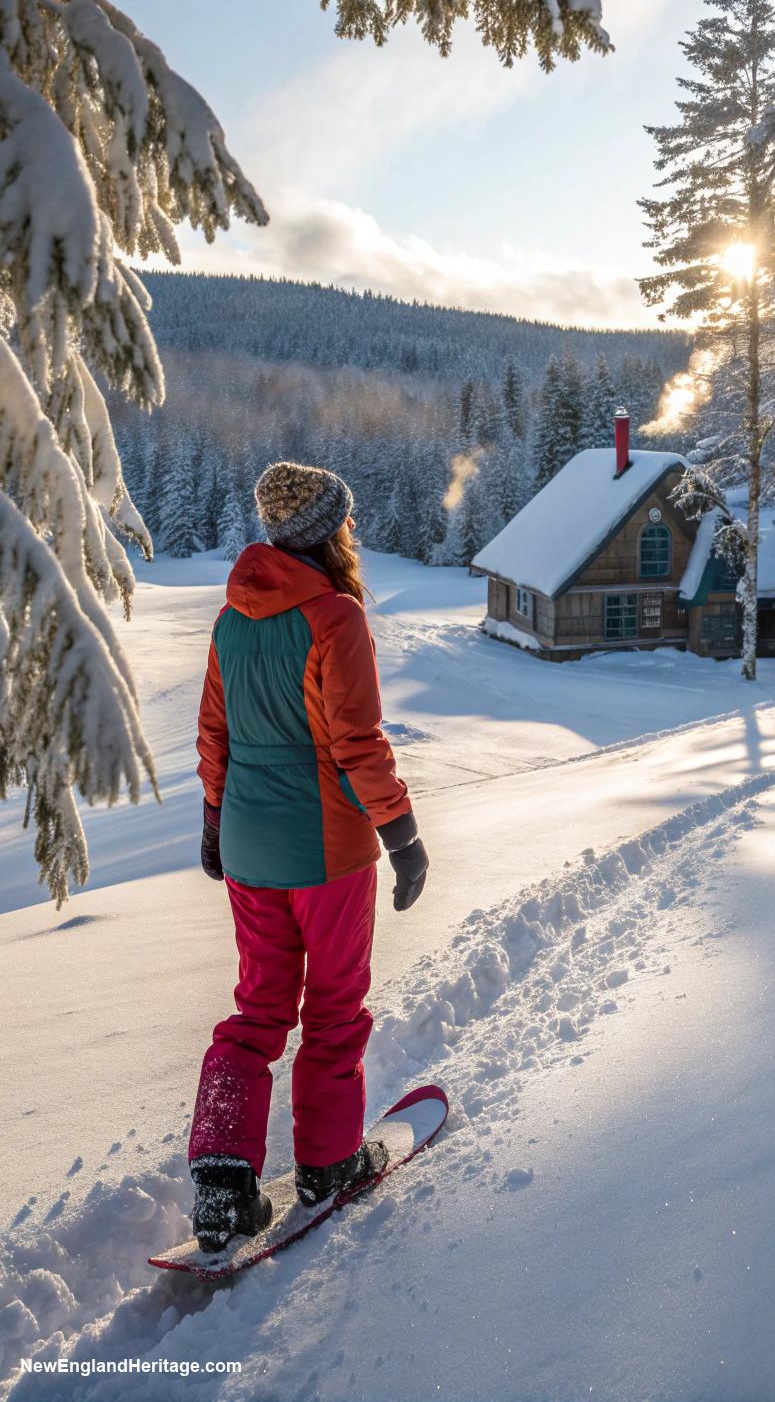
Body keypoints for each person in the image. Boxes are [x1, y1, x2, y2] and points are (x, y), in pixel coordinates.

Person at [187, 461, 428, 1253]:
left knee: (257, 1009)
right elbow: (357, 744)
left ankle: (222, 1182)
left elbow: (214, 736)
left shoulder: (232, 620)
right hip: (327, 849)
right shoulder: (336, 618)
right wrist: (402, 834)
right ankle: (328, 1164)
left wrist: (216, 821)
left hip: (252, 845)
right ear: (328, 531)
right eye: (344, 521)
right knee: (332, 1010)